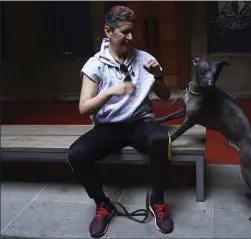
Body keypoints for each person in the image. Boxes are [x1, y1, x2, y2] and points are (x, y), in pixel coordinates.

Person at [67, 5, 174, 238]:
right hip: (109, 126)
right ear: (109, 31)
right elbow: (83, 108)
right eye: (125, 32)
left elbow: (165, 95)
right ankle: (103, 204)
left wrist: (158, 77)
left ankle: (157, 200)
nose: (131, 37)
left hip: (140, 122)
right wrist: (109, 93)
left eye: (132, 31)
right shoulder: (94, 65)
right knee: (76, 153)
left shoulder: (145, 59)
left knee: (161, 139)